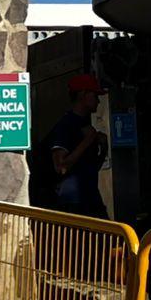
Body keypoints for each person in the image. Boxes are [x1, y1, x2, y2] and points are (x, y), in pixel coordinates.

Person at [44, 73, 110, 218]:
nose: (98, 101)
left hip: (90, 199)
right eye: (95, 95)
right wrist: (88, 141)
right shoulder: (66, 125)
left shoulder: (85, 126)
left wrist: (103, 148)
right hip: (72, 204)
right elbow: (60, 167)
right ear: (83, 95)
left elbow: (90, 167)